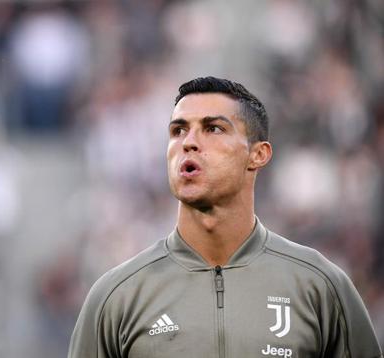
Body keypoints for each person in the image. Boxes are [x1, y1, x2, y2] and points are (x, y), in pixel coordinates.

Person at [68, 77, 382, 358]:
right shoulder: (117, 296)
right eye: (178, 130)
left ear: (258, 154)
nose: (188, 142)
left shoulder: (319, 287)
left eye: (213, 128)